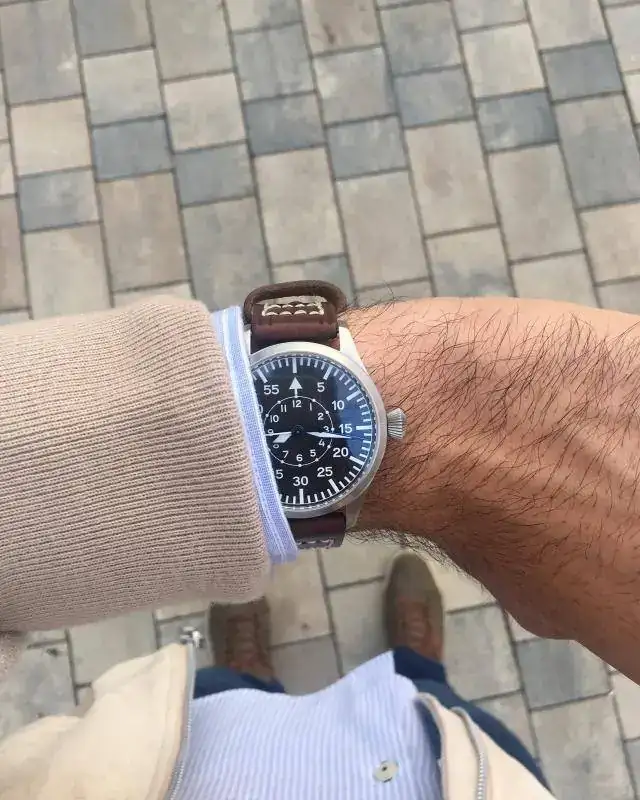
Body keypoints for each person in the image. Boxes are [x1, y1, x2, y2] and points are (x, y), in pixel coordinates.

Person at [1, 290, 639, 798]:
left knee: (217, 699)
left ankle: (245, 678)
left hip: (154, 763)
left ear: (391, 425)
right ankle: (417, 672)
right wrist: (450, 398)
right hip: (459, 775)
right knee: (428, 704)